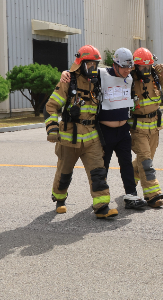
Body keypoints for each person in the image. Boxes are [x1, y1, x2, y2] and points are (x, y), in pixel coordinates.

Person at [60, 48, 148, 210]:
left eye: (130, 67)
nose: (127, 70)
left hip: (123, 132)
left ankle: (131, 195)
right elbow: (81, 71)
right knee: (102, 166)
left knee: (126, 164)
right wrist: (65, 72)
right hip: (105, 131)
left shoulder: (130, 76)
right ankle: (100, 198)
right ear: (115, 65)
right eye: (124, 67)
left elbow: (145, 67)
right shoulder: (101, 74)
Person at [44, 45, 119, 218]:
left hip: (92, 138)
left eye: (96, 64)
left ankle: (101, 206)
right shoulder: (68, 81)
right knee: (64, 173)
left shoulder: (99, 80)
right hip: (69, 138)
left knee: (98, 173)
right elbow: (51, 106)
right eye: (89, 65)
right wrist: (52, 128)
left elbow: (119, 72)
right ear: (81, 64)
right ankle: (60, 199)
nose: (93, 68)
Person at [128, 47, 163, 207]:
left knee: (146, 160)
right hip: (138, 128)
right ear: (135, 66)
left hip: (154, 128)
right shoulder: (129, 78)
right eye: (142, 67)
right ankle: (153, 195)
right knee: (146, 161)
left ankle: (129, 183)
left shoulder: (156, 77)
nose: (145, 70)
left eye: (148, 66)